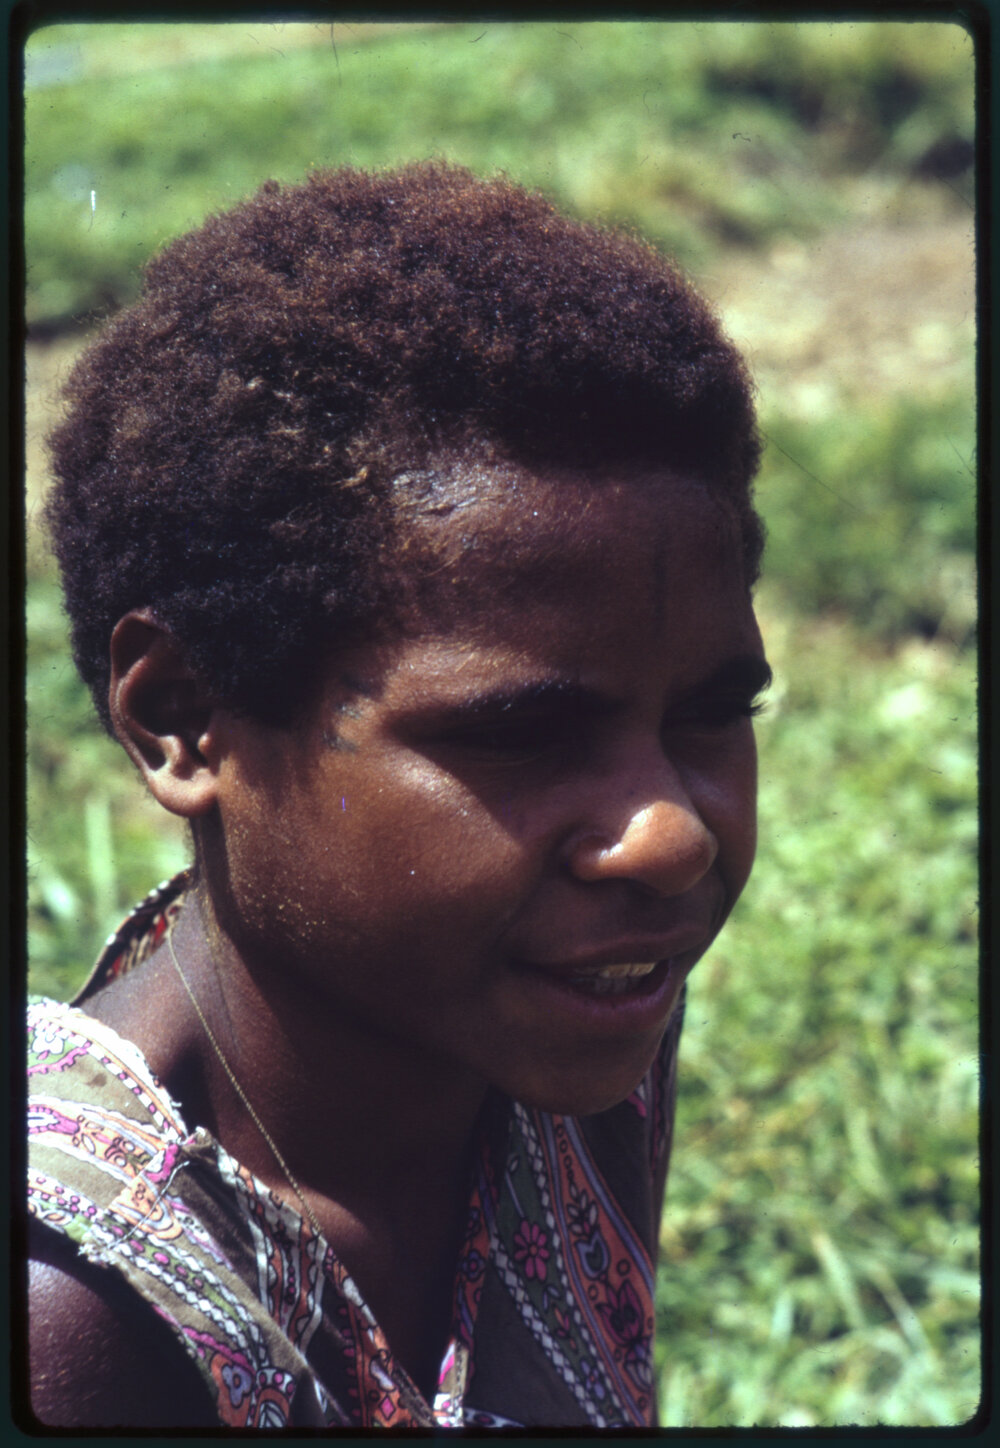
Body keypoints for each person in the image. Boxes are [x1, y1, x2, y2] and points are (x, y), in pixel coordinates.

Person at [27, 161, 770, 1429]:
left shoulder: (573, 1014)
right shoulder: (73, 1314)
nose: (668, 834)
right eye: (526, 732)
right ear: (180, 717)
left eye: (710, 712)